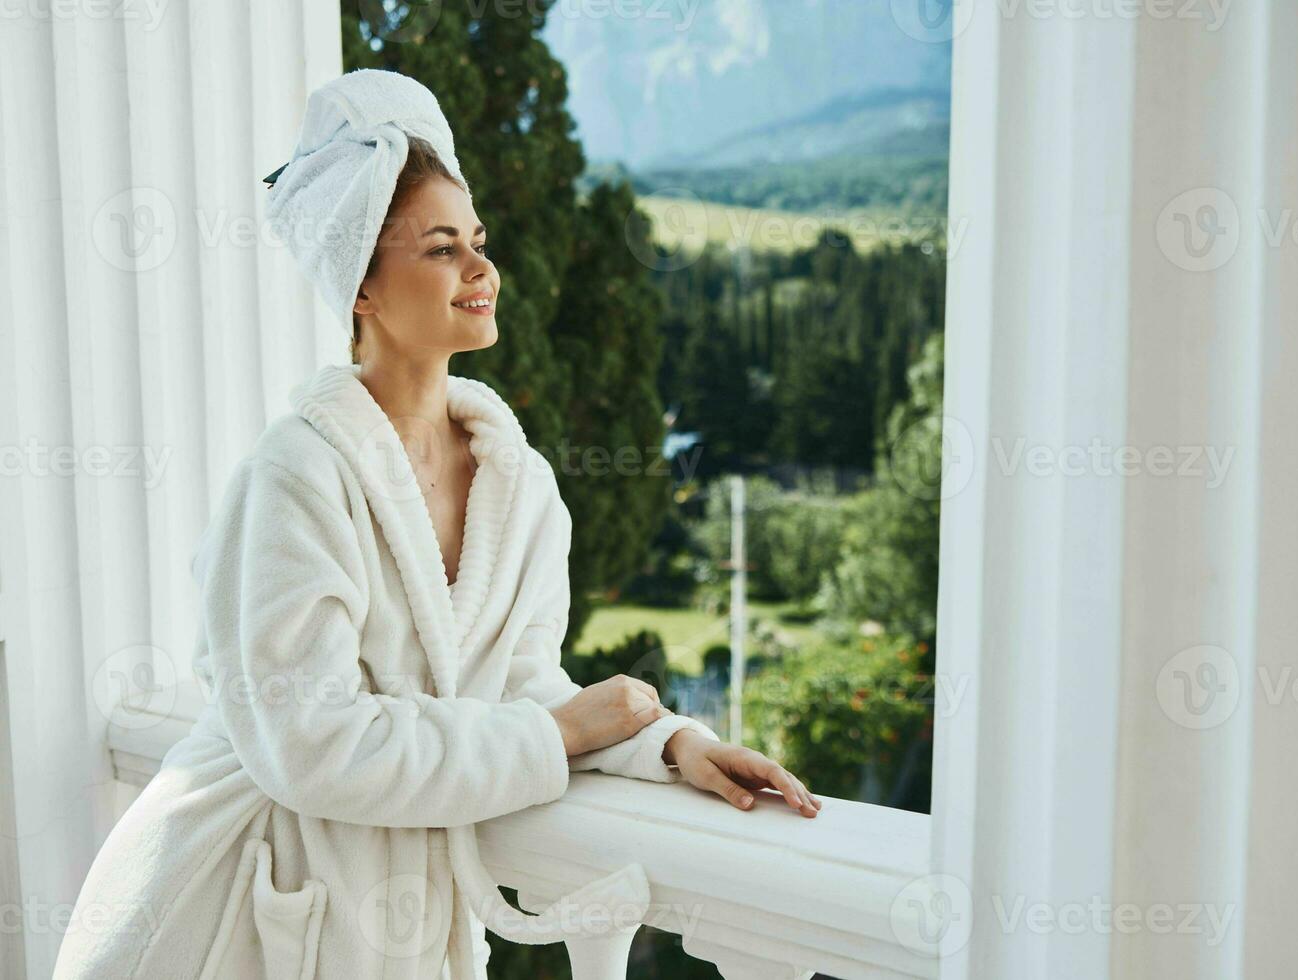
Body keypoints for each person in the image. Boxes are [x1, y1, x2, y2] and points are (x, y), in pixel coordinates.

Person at [53, 68, 817, 980]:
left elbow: (516, 687)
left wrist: (669, 744)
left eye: (480, 243)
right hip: (241, 904)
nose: (482, 269)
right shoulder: (296, 476)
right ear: (361, 288)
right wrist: (564, 736)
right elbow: (313, 743)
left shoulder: (519, 484)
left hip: (401, 923)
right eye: (442, 248)